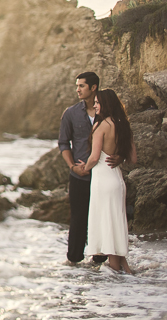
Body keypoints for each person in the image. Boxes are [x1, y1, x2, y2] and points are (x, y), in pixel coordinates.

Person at [80, 88, 137, 273]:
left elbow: (95, 157)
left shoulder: (101, 126)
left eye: (97, 102)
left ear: (106, 104)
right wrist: (119, 156)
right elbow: (133, 158)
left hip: (103, 181)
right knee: (115, 224)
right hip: (117, 180)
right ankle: (125, 270)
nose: (95, 105)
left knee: (108, 227)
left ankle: (115, 281)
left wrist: (83, 168)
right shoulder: (123, 125)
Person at [58, 72, 111, 266]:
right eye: (77, 86)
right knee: (78, 217)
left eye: (81, 86)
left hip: (103, 173)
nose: (77, 89)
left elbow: (119, 137)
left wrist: (119, 157)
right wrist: (73, 166)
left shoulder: (106, 111)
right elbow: (63, 143)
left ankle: (100, 259)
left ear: (93, 87)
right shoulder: (70, 113)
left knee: (102, 216)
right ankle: (74, 261)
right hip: (79, 175)